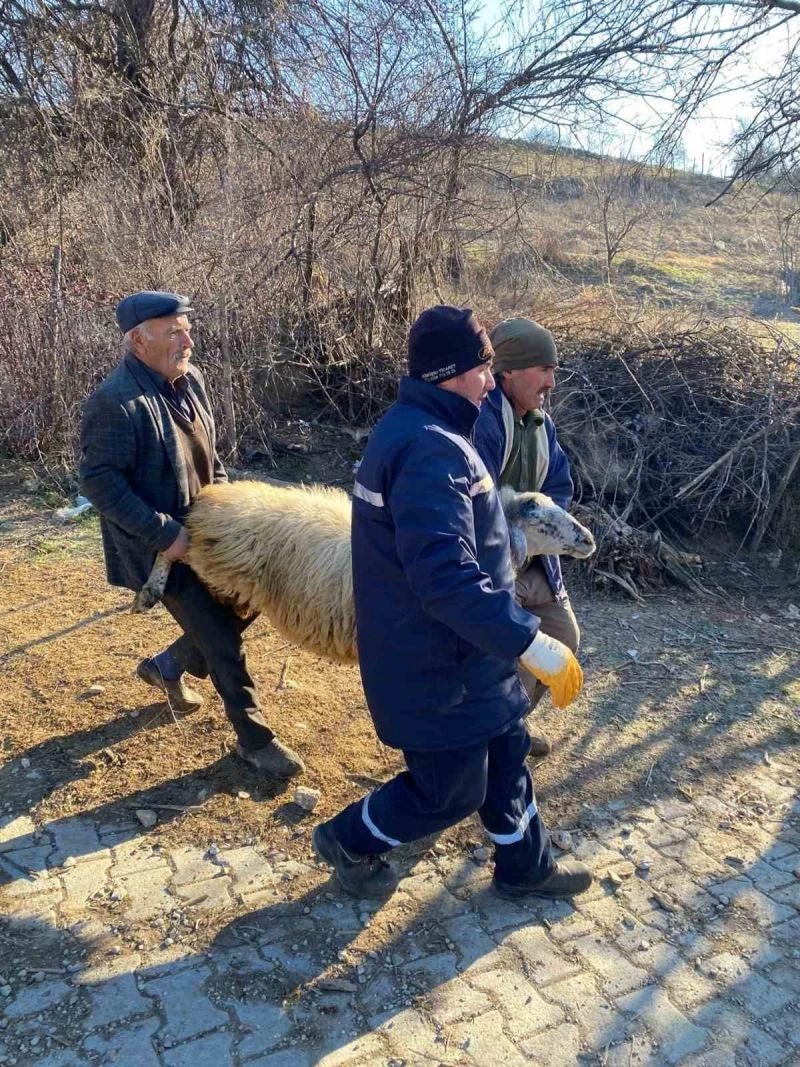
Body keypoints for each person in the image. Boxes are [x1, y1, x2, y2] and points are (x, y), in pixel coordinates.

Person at [312, 305, 591, 901]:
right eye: (482, 369)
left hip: (471, 653)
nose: (491, 382)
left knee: (509, 749)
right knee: (450, 792)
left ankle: (525, 867)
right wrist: (529, 640)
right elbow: (444, 577)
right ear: (447, 373)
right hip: (434, 664)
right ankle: (348, 840)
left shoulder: (434, 430)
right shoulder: (429, 449)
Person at [79, 290, 303, 780]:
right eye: (174, 330)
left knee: (251, 600)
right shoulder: (114, 402)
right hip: (160, 549)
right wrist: (165, 535)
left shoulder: (190, 380)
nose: (188, 339)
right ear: (139, 340)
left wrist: (231, 512)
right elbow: (98, 482)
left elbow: (211, 457)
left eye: (187, 327)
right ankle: (255, 741)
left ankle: (166, 666)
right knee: (222, 640)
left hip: (210, 533)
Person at [474, 317, 579, 759]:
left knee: (563, 637)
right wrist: (509, 531)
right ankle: (481, 740)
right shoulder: (481, 421)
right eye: (544, 370)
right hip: (489, 568)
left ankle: (507, 726)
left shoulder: (542, 426)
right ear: (509, 372)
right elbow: (473, 501)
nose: (551, 382)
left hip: (536, 566)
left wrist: (533, 530)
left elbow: (560, 489)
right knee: (497, 653)